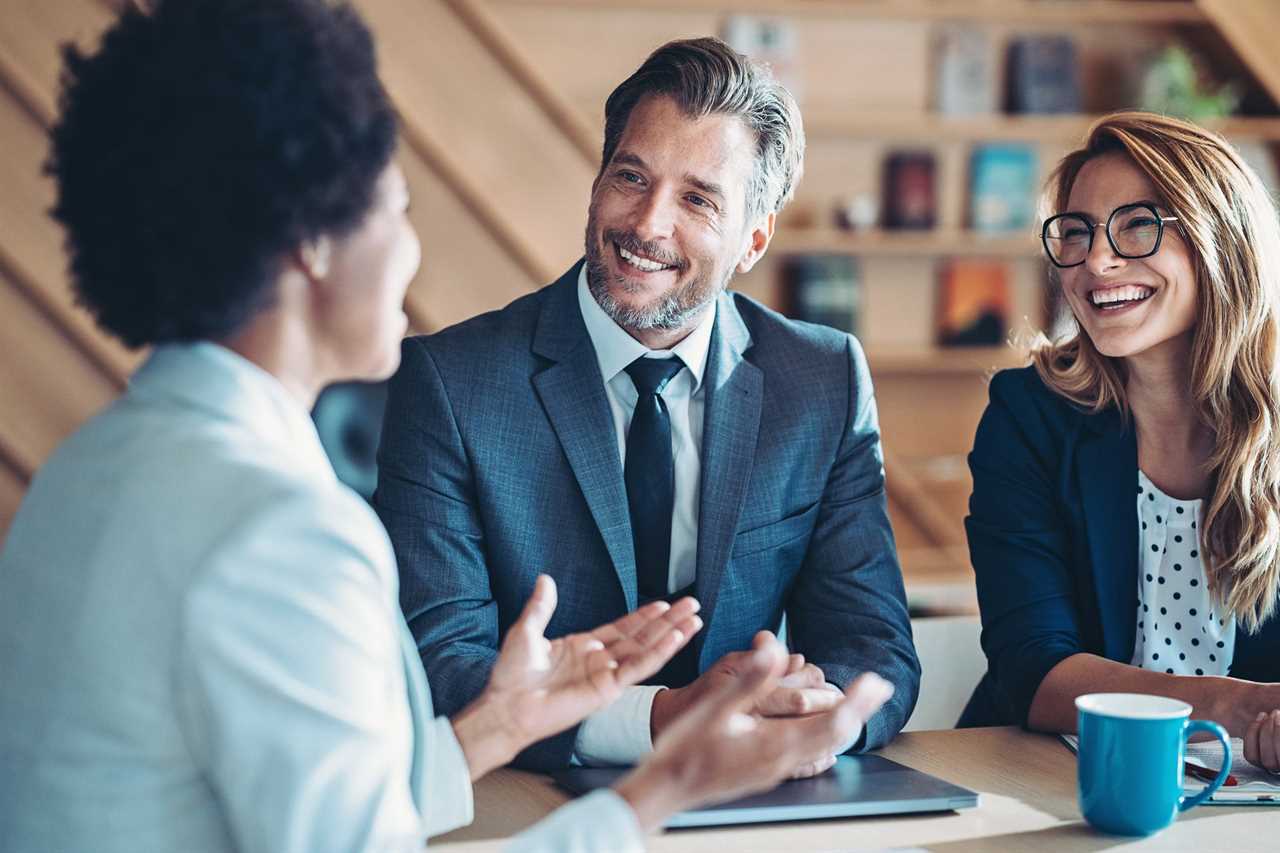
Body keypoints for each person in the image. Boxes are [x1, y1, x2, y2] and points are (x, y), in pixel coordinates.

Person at [0, 3, 894, 851]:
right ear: (313, 241)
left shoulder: (88, 465)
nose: (411, 249)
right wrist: (667, 783)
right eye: (398, 207)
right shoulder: (283, 534)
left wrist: (501, 722)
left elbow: (323, 799)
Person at [375, 37, 919, 774]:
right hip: (526, 798)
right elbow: (440, 664)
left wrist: (813, 717)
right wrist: (664, 719)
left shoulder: (822, 380)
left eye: (697, 198)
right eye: (631, 176)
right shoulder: (451, 383)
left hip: (758, 796)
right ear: (597, 182)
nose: (647, 224)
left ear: (753, 240)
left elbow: (873, 642)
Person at [962, 111, 1280, 772]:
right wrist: (1235, 705)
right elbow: (1034, 669)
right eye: (1076, 232)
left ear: (1222, 238)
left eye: (1138, 224)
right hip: (1049, 782)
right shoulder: (1028, 416)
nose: (1096, 261)